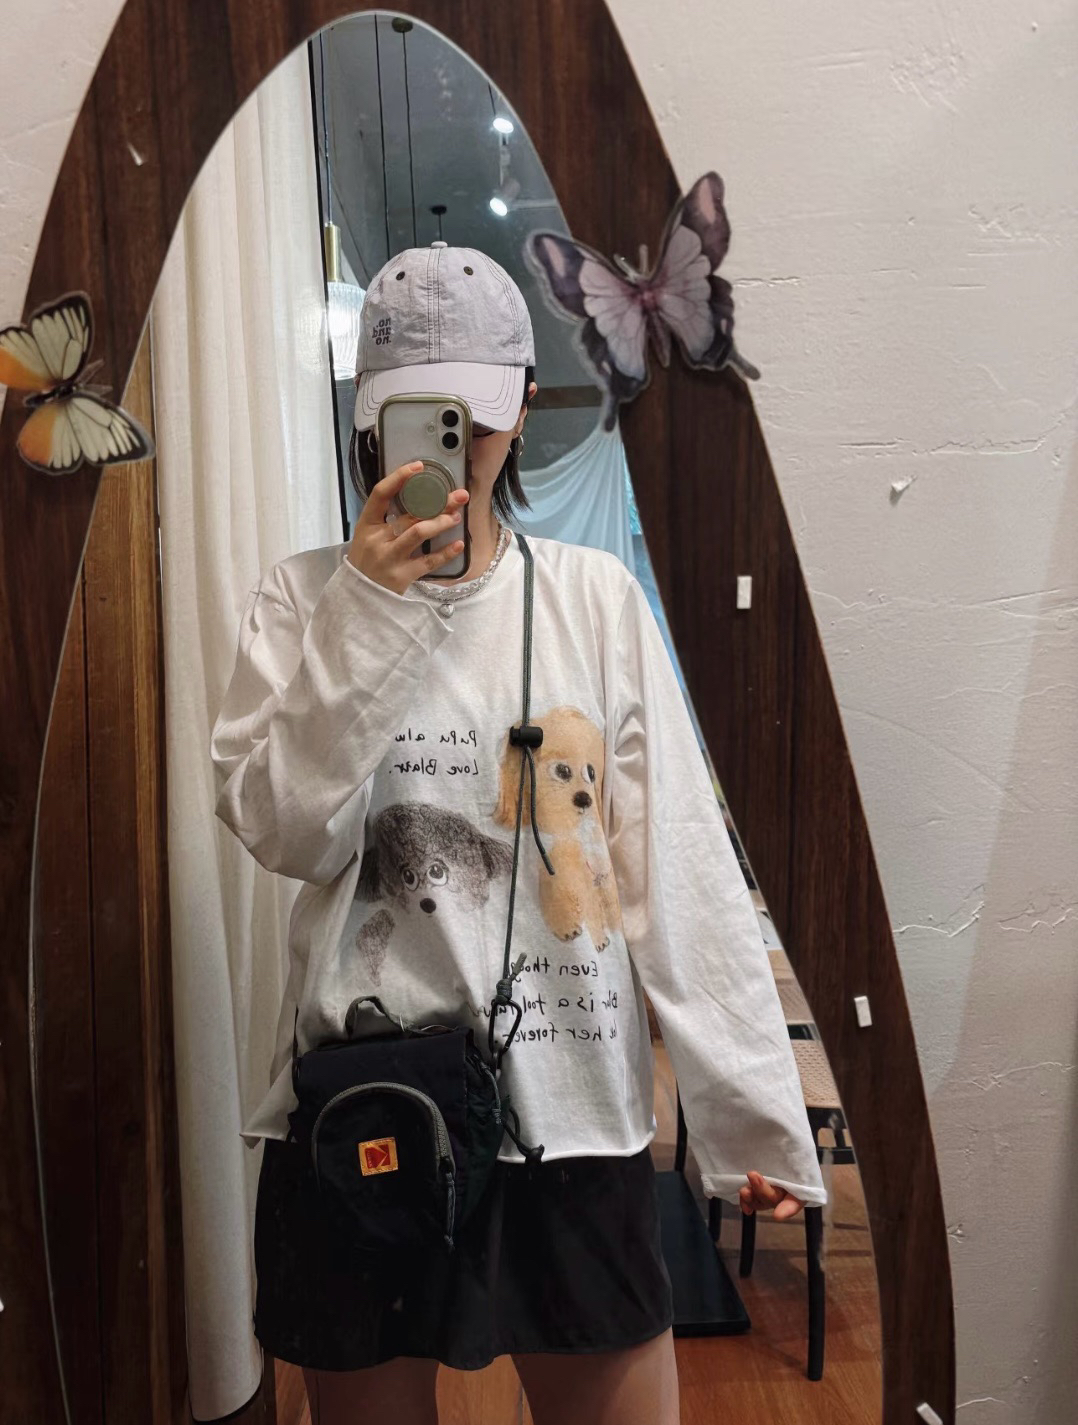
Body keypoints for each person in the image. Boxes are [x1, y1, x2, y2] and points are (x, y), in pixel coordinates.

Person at [211, 241, 827, 1425]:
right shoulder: (302, 600)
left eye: (476, 416)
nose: (456, 447)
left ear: (524, 407)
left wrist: (748, 1114)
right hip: (367, 1107)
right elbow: (288, 833)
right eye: (417, 415)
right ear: (368, 417)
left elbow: (674, 862)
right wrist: (368, 610)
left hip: (572, 1111)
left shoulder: (593, 599)